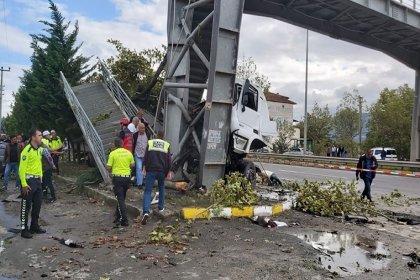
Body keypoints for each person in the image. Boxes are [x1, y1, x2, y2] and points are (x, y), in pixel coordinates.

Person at [18, 128, 56, 239]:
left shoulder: (39, 149)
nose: (41, 137)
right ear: (33, 137)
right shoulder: (27, 150)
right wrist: (24, 184)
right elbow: (21, 169)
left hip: (38, 181)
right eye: (39, 135)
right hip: (28, 182)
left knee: (37, 205)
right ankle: (24, 229)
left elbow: (39, 165)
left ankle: (34, 226)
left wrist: (41, 177)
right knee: (26, 206)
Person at [141, 131, 172, 225]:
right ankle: (161, 207)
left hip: (151, 170)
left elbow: (145, 157)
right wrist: (167, 172)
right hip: (161, 171)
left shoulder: (150, 143)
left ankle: (146, 211)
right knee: (161, 187)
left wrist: (144, 167)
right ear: (163, 136)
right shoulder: (166, 145)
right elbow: (169, 161)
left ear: (156, 135)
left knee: (147, 191)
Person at [107, 138, 135, 227]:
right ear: (122, 144)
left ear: (115, 145)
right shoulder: (128, 153)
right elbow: (132, 165)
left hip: (117, 179)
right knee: (122, 198)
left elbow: (108, 167)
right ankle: (117, 216)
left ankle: (124, 220)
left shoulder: (113, 154)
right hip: (127, 179)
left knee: (120, 199)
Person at [132, 123, 148, 187]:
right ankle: (139, 183)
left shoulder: (148, 134)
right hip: (137, 155)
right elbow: (133, 144)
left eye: (144, 128)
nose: (143, 129)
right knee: (139, 168)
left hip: (145, 155)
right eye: (142, 128)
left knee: (144, 169)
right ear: (138, 129)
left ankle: (142, 181)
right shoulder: (135, 135)